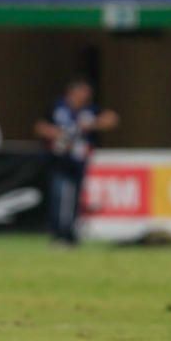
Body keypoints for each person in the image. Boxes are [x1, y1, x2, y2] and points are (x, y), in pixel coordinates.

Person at [34, 79, 118, 246]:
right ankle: (59, 233)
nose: (85, 96)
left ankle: (70, 233)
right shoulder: (58, 107)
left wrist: (92, 124)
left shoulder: (89, 110)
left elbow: (112, 119)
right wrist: (56, 133)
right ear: (72, 92)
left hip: (79, 162)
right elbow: (40, 126)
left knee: (74, 199)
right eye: (82, 92)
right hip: (59, 160)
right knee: (59, 196)